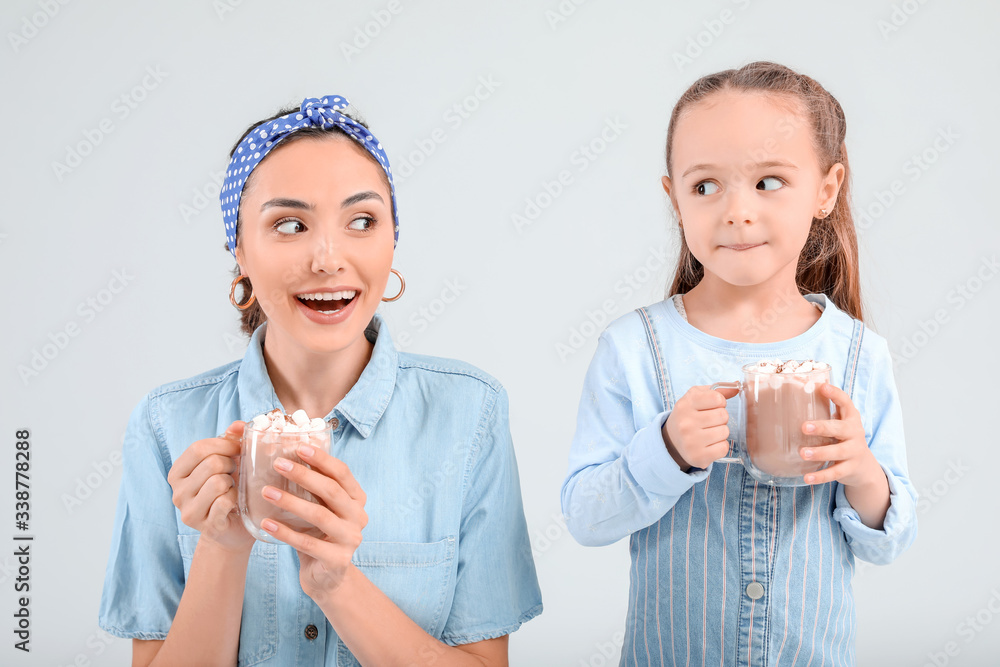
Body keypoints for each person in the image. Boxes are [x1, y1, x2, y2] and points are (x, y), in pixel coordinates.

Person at [99, 94, 542, 666]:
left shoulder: (469, 413)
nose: (329, 258)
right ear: (239, 251)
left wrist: (337, 584)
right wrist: (222, 546)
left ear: (392, 240)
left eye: (362, 220)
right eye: (289, 224)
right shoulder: (165, 424)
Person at [561, 62, 917, 666]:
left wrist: (860, 472)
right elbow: (585, 517)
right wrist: (665, 450)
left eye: (770, 181)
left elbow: (891, 541)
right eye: (706, 186)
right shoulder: (633, 348)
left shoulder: (858, 354)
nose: (737, 211)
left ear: (826, 191)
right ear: (674, 198)